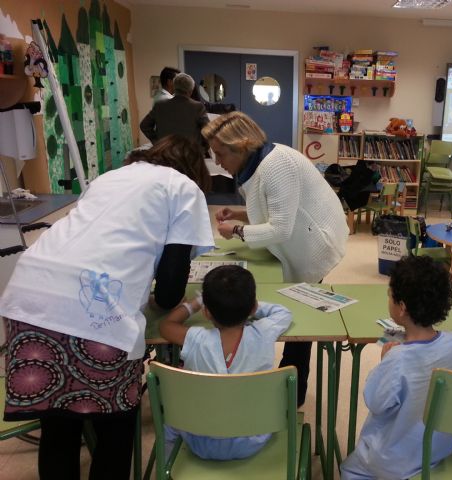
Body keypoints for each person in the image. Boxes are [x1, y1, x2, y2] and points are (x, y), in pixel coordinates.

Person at [0, 135, 214, 480]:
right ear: (194, 168)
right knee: (115, 425)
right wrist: (168, 299)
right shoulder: (183, 188)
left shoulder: (112, 176)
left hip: (29, 296)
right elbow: (171, 286)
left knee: (58, 425)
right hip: (95, 313)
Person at [201, 111, 349, 406]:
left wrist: (238, 230)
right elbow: (274, 208)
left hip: (314, 246)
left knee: (301, 319)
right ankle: (283, 380)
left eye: (220, 154)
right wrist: (241, 214)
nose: (217, 162)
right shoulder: (256, 163)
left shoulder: (276, 165)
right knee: (288, 308)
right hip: (298, 239)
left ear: (240, 146)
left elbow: (281, 228)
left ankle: (293, 391)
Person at [341, 255, 452, 480]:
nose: (388, 298)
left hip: (392, 461)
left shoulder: (397, 358)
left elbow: (375, 402)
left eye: (389, 295)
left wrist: (385, 360)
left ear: (402, 308)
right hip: (438, 449)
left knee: (349, 468)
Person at [159, 265, 292, 459]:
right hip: (253, 438)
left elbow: (165, 326)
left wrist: (195, 303)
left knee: (171, 420)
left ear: (207, 313)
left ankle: (166, 465)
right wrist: (247, 304)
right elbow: (284, 313)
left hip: (198, 440)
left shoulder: (196, 338)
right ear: (253, 308)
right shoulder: (263, 333)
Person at [140, 73, 210, 150]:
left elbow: (144, 125)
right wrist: (203, 148)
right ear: (191, 91)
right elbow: (208, 131)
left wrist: (157, 142)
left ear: (174, 87)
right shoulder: (198, 107)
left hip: (165, 152)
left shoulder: (160, 105)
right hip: (190, 153)